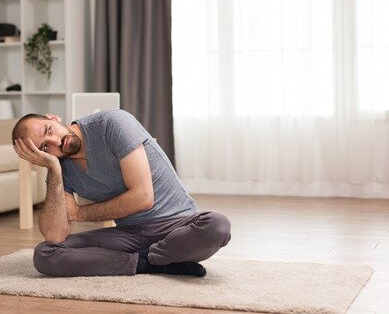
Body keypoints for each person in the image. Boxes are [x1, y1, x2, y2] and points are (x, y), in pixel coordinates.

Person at [12, 109, 231, 277]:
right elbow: (55, 236)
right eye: (44, 148)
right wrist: (54, 169)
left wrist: (79, 213)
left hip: (176, 226)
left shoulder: (112, 123)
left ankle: (152, 257)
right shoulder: (60, 168)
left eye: (49, 130)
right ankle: (150, 264)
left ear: (53, 118)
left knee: (217, 225)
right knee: (45, 255)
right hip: (129, 234)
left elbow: (143, 198)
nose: (55, 142)